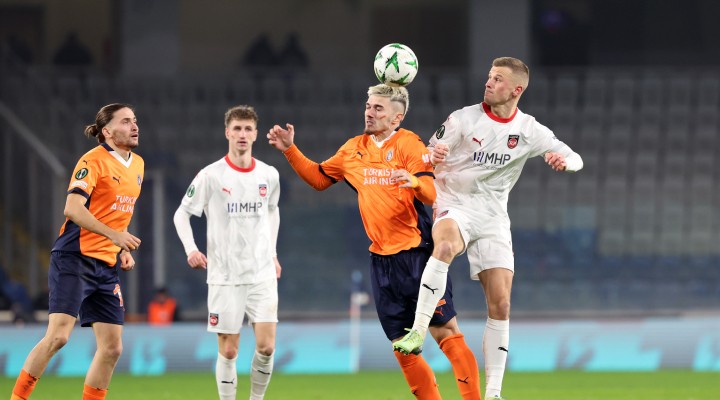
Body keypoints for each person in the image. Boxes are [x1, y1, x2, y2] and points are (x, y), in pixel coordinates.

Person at [268, 84, 481, 400]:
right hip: (381, 263)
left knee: (445, 332)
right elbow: (319, 179)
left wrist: (413, 181)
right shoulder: (352, 149)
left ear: (397, 117)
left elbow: (431, 192)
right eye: (368, 106)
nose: (369, 112)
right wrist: (290, 150)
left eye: (378, 108)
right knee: (403, 348)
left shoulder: (409, 144)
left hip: (418, 255)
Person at [393, 57, 584, 400]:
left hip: (493, 217)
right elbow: (424, 155)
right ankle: (418, 331)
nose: (489, 82)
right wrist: (433, 156)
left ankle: (494, 393)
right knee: (445, 246)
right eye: (489, 76)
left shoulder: (529, 130)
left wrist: (565, 162)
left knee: (501, 304)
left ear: (516, 89)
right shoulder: (463, 118)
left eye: (497, 79)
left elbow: (575, 157)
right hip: (454, 203)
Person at [10, 103, 144, 400]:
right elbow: (72, 208)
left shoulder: (138, 164)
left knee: (112, 347)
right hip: (75, 258)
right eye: (125, 121)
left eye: (135, 120)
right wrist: (114, 235)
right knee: (58, 337)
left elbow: (119, 211)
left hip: (106, 266)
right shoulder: (92, 160)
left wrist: (121, 247)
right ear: (107, 131)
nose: (134, 126)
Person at [173, 105, 281, 400]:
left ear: (256, 134)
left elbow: (272, 211)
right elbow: (181, 214)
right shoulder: (211, 175)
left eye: (248, 129)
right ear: (227, 133)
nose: (242, 134)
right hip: (224, 275)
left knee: (267, 347)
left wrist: (272, 254)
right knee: (230, 350)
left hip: (261, 273)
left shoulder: (269, 175)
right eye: (237, 129)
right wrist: (191, 250)